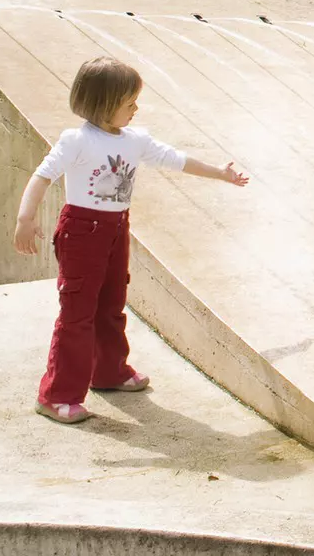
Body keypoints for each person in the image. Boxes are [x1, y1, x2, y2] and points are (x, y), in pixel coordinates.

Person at [13, 57, 250, 424]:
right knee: (77, 313)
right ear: (104, 105)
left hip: (115, 229)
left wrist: (220, 173)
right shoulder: (76, 140)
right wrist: (25, 218)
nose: (135, 108)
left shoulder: (136, 141)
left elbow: (176, 159)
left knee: (112, 301)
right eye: (129, 103)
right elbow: (42, 176)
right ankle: (56, 395)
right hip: (82, 232)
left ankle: (108, 372)